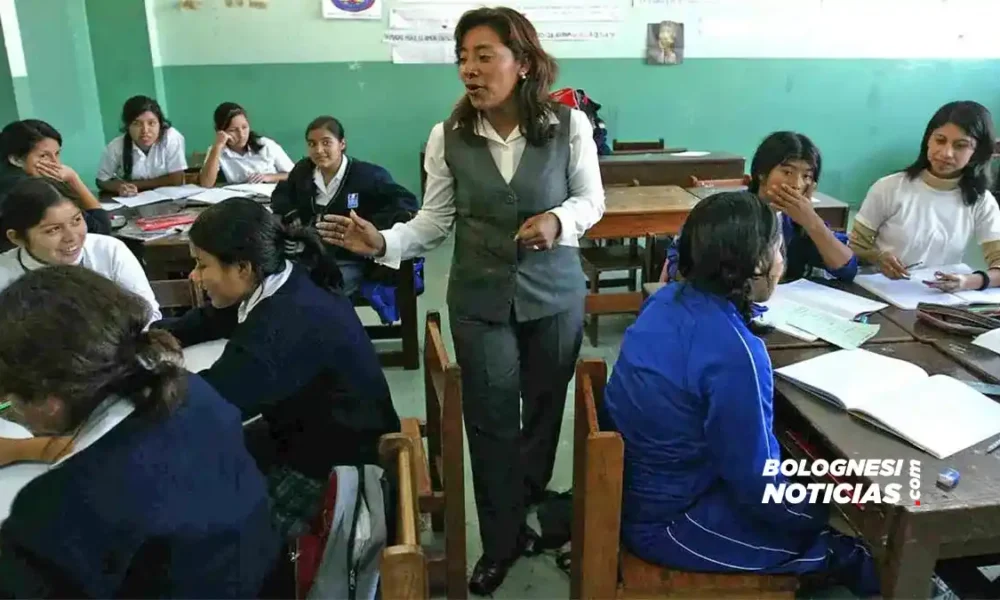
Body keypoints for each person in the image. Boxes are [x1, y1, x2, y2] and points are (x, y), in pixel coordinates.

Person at [319, 7, 605, 595]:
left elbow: (591, 201)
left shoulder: (568, 126)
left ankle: (528, 503)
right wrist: (384, 242)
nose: (469, 71)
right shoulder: (446, 137)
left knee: (546, 410)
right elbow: (434, 221)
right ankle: (501, 539)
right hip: (479, 298)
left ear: (522, 63)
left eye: (483, 56)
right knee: (491, 416)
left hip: (555, 293)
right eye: (462, 58)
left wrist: (558, 219)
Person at [602, 191, 881, 598]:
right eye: (778, 248)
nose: (782, 261)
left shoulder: (665, 300)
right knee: (854, 545)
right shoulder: (735, 352)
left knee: (801, 478)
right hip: (672, 523)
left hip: (645, 490)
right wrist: (830, 512)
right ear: (755, 264)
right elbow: (757, 486)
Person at [0, 266, 278, 597]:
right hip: (259, 572)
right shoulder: (190, 391)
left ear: (50, 400)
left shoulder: (54, 509)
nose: (10, 408)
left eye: (9, 398)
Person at [152, 197, 399, 538]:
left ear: (242, 268)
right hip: (313, 437)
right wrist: (150, 339)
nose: (194, 277)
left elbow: (206, 403)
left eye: (201, 264)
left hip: (334, 474)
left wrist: (136, 385)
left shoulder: (283, 325)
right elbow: (210, 318)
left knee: (194, 503)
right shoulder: (285, 276)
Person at [660, 131, 856, 284]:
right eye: (787, 172)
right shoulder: (728, 211)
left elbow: (847, 269)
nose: (796, 184)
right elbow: (682, 268)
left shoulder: (801, 222)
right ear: (762, 173)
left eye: (807, 176)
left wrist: (812, 223)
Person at [849, 100, 1000, 291]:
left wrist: (967, 281)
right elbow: (853, 248)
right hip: (882, 293)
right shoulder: (889, 187)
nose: (946, 153)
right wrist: (877, 258)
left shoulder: (981, 201)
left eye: (961, 146)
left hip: (940, 299)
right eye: (940, 140)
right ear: (928, 139)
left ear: (977, 152)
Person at [270, 116, 417, 297]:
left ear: (341, 144)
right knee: (280, 290)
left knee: (321, 296)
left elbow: (405, 202)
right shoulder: (303, 171)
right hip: (310, 255)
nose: (319, 150)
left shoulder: (367, 176)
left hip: (351, 259)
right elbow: (281, 193)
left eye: (326, 143)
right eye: (312, 144)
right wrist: (290, 213)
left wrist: (375, 228)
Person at [0, 177, 160, 322]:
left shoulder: (108, 250)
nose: (71, 237)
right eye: (53, 230)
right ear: (17, 238)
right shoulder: (4, 273)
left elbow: (148, 314)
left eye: (76, 220)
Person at [0, 119, 109, 241]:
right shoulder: (34, 189)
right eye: (43, 156)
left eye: (57, 154)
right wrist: (74, 178)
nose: (55, 163)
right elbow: (101, 230)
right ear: (16, 160)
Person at [96, 95, 187, 197]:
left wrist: (134, 185)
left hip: (170, 199)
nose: (145, 131)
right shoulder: (116, 147)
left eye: (151, 123)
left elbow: (177, 179)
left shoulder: (171, 138)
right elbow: (101, 180)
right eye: (137, 124)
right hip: (132, 201)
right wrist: (119, 187)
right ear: (127, 126)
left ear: (160, 124)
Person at [198, 101, 295, 188]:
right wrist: (218, 147)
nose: (241, 134)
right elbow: (206, 184)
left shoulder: (266, 145)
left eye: (244, 127)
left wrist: (270, 177)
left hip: (270, 198)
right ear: (220, 131)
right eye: (233, 130)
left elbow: (295, 174)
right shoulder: (216, 150)